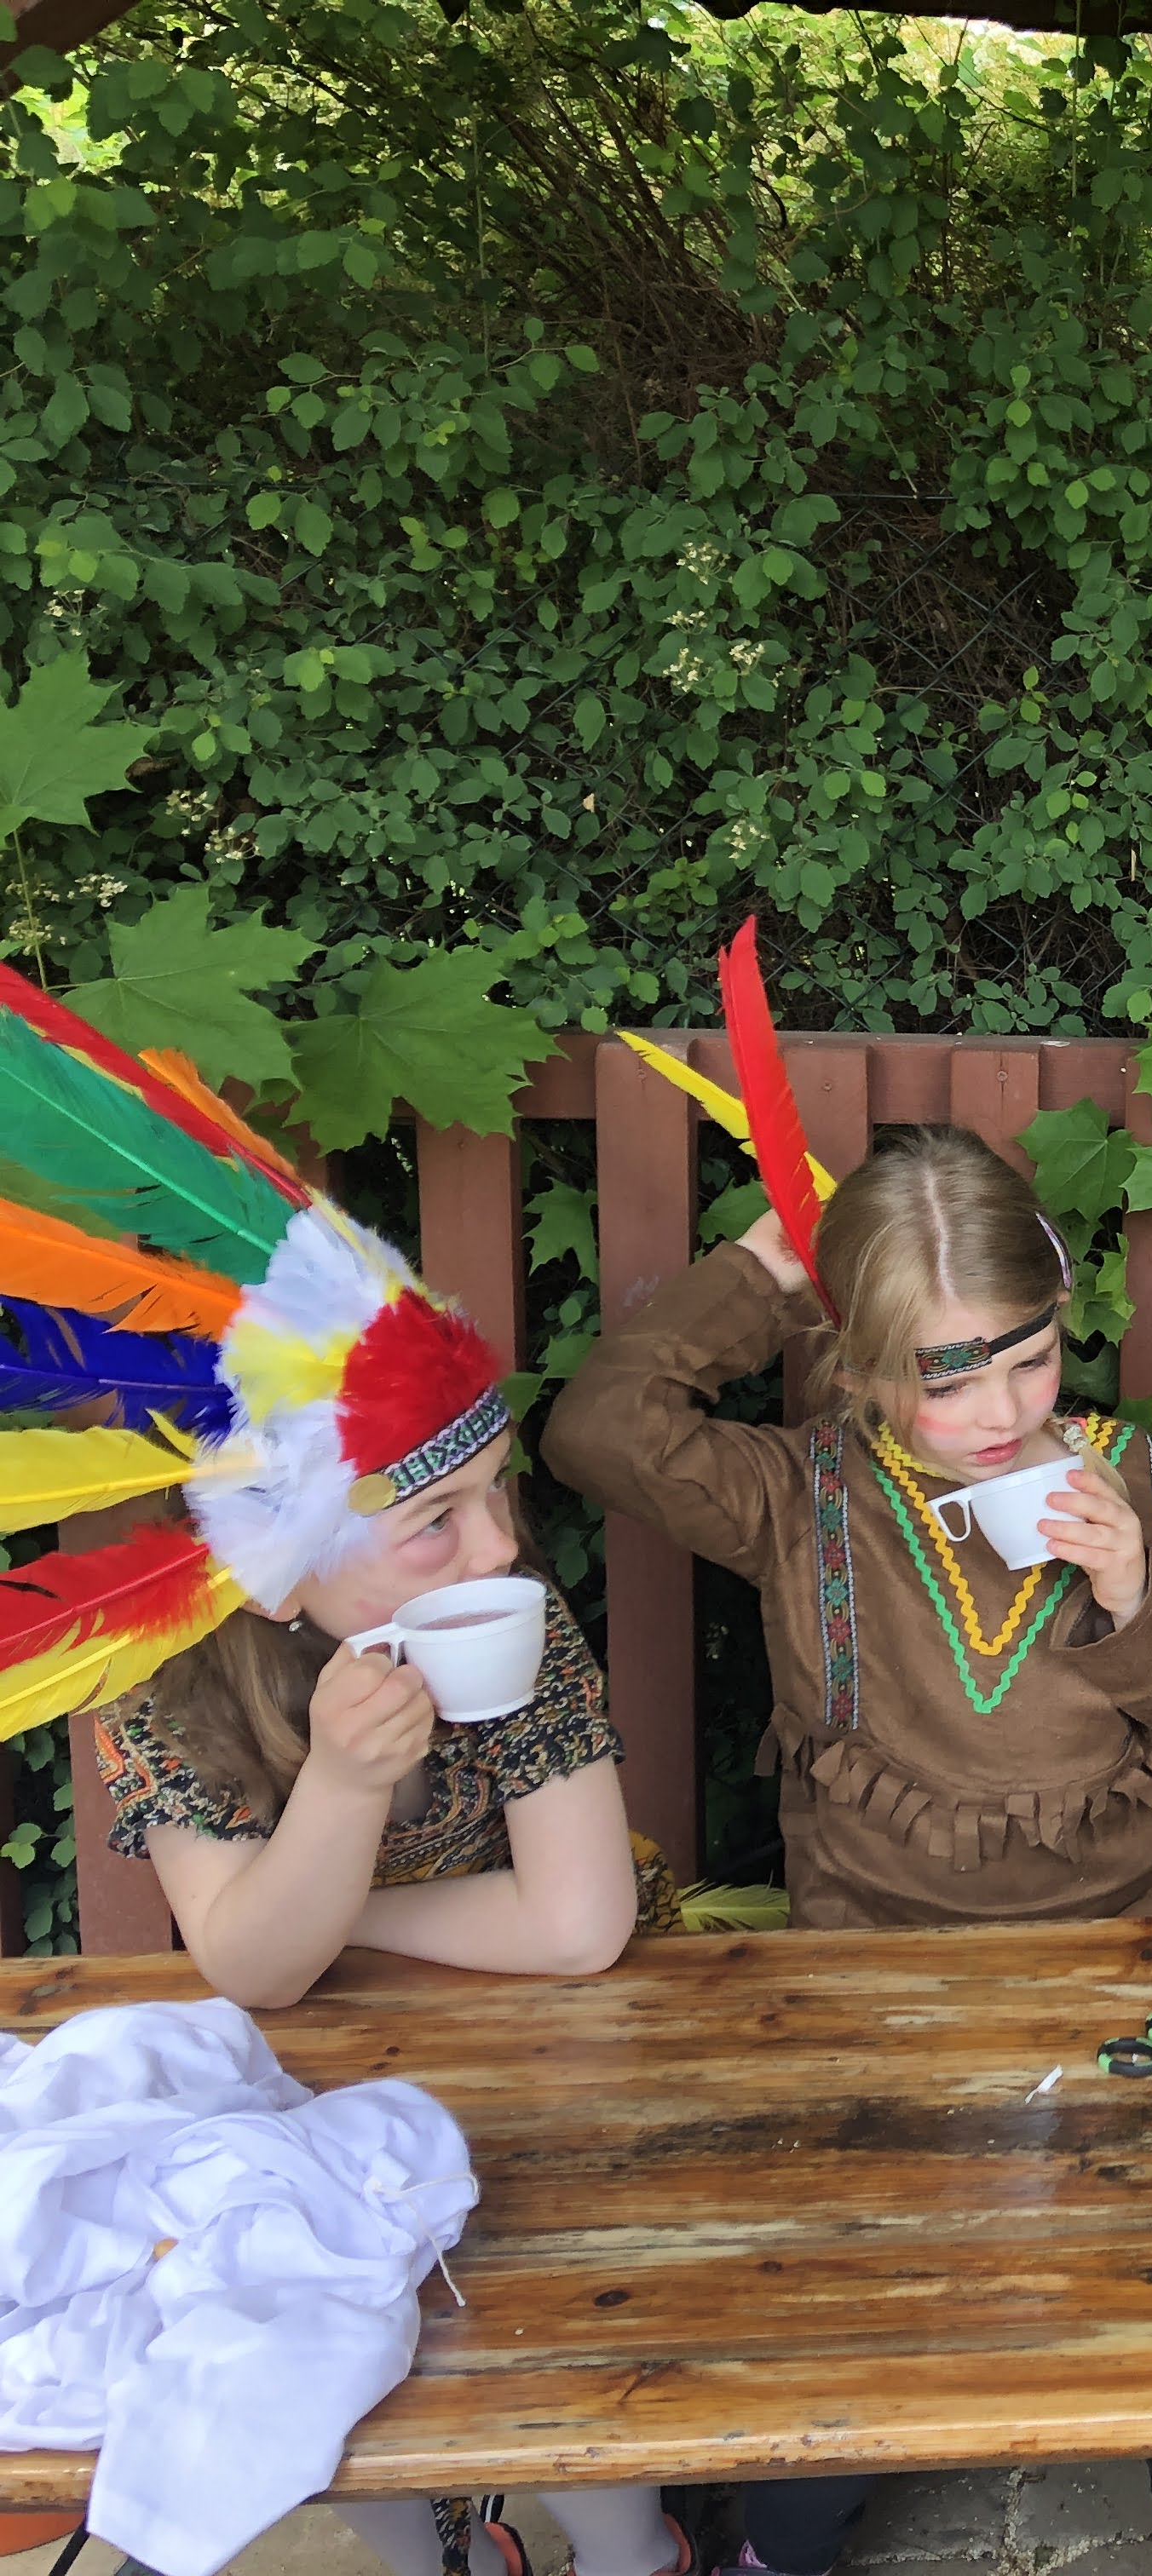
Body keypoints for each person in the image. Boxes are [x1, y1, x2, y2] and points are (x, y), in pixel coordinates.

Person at [545, 936, 1152, 2576]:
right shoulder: (800, 1498)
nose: (1005, 1409)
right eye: (951, 1379)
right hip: (871, 1963)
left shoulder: (1142, 1488)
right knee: (837, 2271)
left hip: (1118, 1957)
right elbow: (599, 1433)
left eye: (1030, 1357)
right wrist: (761, 1274)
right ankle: (790, 2534)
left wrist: (1138, 1591)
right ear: (869, 1371)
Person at [0, 969, 685, 2576]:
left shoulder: (507, 1628)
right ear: (282, 1564)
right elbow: (248, 1975)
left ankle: (615, 2543)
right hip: (292, 2100)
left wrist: (335, 1917)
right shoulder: (171, 1690)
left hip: (543, 2069)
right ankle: (431, 2547)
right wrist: (343, 1792)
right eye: (437, 1521)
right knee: (319, 2333)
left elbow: (579, 1925)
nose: (501, 1548)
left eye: (496, 1495)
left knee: (576, 2347)